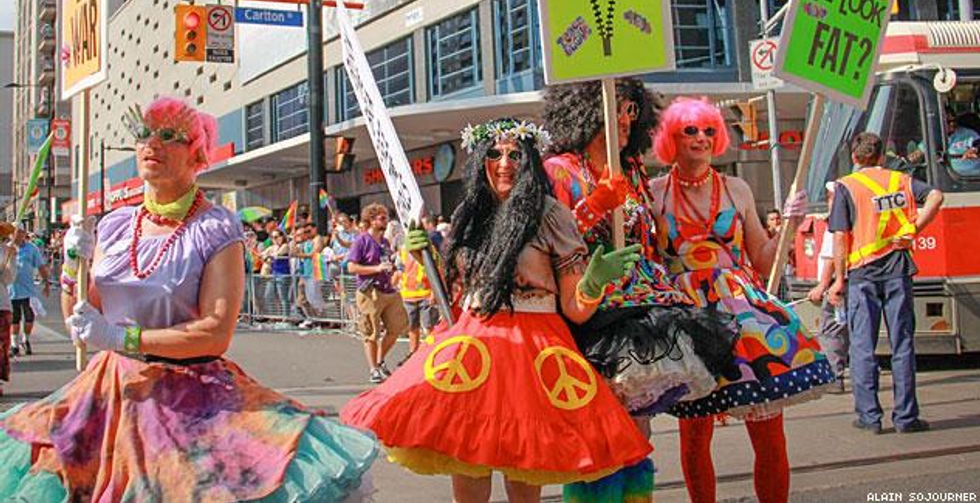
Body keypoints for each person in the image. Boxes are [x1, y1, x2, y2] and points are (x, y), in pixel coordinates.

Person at [0, 97, 376, 500]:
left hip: (188, 395)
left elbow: (214, 333)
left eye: (169, 136)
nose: (151, 144)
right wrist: (72, 265)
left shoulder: (215, 227)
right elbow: (83, 319)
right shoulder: (114, 225)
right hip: (110, 391)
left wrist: (124, 339)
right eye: (145, 134)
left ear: (196, 153)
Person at [341, 118, 653, 503]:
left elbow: (576, 310)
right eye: (494, 153)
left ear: (530, 161)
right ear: (480, 161)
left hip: (532, 353)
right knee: (468, 468)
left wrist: (592, 282)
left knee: (525, 474)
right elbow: (454, 298)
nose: (504, 162)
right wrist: (429, 259)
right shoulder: (467, 217)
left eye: (514, 154)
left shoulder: (551, 214)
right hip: (471, 347)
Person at [541, 80, 738, 502]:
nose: (626, 118)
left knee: (636, 434)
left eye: (632, 108)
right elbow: (545, 240)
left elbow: (649, 240)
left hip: (643, 316)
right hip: (589, 316)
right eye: (617, 108)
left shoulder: (631, 171)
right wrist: (593, 207)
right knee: (597, 437)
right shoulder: (558, 170)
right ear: (585, 111)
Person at [649, 97, 835, 503]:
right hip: (689, 317)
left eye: (709, 131)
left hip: (742, 313)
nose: (701, 138)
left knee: (768, 427)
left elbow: (761, 257)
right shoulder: (654, 194)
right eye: (690, 131)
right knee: (694, 432)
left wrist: (789, 224)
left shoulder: (737, 189)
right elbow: (650, 261)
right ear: (671, 139)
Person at [821, 131, 944, 434]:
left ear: (854, 157)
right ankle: (906, 418)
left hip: (862, 275)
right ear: (880, 156)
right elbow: (937, 196)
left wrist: (838, 280)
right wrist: (914, 229)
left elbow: (839, 238)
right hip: (898, 269)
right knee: (902, 344)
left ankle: (870, 417)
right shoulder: (900, 180)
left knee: (863, 346)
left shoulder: (846, 187)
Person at [346, 203, 409, 383]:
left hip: (388, 288)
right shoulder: (362, 240)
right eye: (381, 217)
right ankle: (373, 368)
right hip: (370, 290)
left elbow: (387, 261)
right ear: (371, 220)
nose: (385, 220)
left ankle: (380, 361)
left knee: (397, 327)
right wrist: (376, 268)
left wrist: (394, 268)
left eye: (386, 217)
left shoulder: (385, 242)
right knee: (371, 332)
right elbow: (351, 267)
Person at [807, 182, 848, 394]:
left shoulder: (838, 222)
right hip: (842, 284)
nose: (828, 201)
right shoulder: (843, 218)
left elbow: (833, 255)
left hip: (835, 286)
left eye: (830, 197)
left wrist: (823, 285)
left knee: (832, 330)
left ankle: (834, 377)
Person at [8, 224, 49, 357]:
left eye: (19, 232)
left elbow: (41, 266)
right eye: (14, 232)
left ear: (24, 233)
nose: (17, 235)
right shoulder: (6, 249)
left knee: (29, 318)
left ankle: (25, 340)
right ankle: (14, 344)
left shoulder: (32, 249)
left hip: (28, 291)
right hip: (11, 290)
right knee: (14, 319)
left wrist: (46, 283)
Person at [0, 222, 17, 396]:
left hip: (1, 304)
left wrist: (11, 260)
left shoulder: (5, 250)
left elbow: (9, 279)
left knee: (1, 345)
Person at [945, 107, 980, 177]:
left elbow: (978, 143)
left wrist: (974, 150)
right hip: (947, 177)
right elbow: (919, 153)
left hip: (973, 176)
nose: (952, 124)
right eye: (948, 121)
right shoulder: (934, 136)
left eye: (954, 120)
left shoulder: (969, 134)